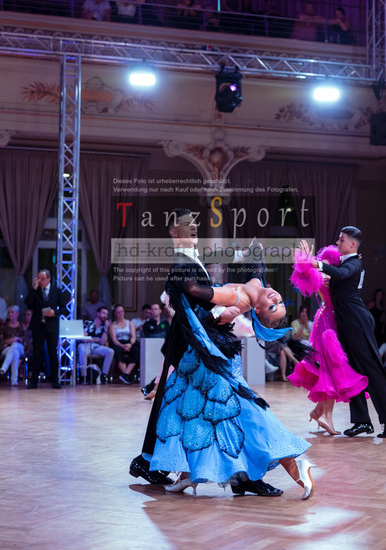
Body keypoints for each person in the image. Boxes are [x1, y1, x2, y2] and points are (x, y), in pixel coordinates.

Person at [129, 209, 289, 497]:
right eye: (185, 225)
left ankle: (157, 463)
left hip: (202, 345)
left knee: (188, 407)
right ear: (173, 233)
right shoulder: (181, 264)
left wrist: (247, 256)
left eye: (194, 223)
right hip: (193, 343)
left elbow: (215, 264)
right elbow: (194, 296)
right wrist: (217, 314)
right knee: (185, 406)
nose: (193, 228)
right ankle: (159, 463)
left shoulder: (192, 258)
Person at [145, 240, 316, 500]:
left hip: (211, 362)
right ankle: (194, 474)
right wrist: (255, 251)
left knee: (240, 415)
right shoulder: (257, 286)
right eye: (279, 301)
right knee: (198, 413)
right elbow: (257, 268)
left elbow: (193, 289)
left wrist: (180, 264)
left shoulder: (239, 297)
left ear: (256, 311)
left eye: (273, 306)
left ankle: (294, 467)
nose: (275, 298)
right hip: (204, 359)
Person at [311, 227, 386, 438]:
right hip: (345, 324)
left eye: (341, 240)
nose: (337, 242)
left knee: (372, 370)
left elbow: (342, 274)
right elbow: (335, 274)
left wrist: (319, 264)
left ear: (352, 244)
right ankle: (363, 421)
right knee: (352, 372)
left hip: (357, 322)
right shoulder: (345, 262)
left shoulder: (354, 263)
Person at [288, 245, 368, 435]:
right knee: (332, 367)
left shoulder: (331, 274)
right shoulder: (327, 276)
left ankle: (319, 411)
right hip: (328, 323)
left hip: (325, 320)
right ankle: (326, 416)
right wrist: (304, 261)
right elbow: (308, 274)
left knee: (327, 367)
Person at [24, 270, 67, 389]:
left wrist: (55, 313)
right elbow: (27, 302)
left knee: (52, 352)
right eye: (38, 279)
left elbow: (64, 309)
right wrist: (34, 288)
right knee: (37, 353)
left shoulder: (56, 291)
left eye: (42, 279)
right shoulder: (36, 290)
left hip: (51, 325)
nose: (40, 281)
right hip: (38, 325)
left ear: (49, 279)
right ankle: (33, 381)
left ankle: (55, 380)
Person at [79, 306, 114, 384]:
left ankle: (103, 376)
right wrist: (96, 339)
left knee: (110, 351)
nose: (105, 316)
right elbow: (83, 338)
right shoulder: (88, 323)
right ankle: (83, 377)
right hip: (85, 345)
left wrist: (106, 330)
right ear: (98, 313)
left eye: (106, 314)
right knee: (82, 351)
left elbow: (102, 342)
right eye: (103, 313)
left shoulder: (104, 327)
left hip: (97, 347)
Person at [109, 304, 139, 384]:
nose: (120, 314)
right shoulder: (113, 325)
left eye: (121, 311)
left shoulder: (130, 323)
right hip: (118, 344)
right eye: (118, 312)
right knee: (117, 351)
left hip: (129, 343)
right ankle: (127, 375)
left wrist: (130, 344)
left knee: (137, 350)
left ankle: (126, 374)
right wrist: (122, 346)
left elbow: (133, 336)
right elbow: (114, 340)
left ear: (124, 312)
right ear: (115, 313)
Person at [0, 306, 26, 386]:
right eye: (9, 312)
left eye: (12, 312)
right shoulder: (4, 327)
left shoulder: (22, 326)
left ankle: (4, 366)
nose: (10, 314)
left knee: (15, 345)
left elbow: (27, 339)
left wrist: (17, 339)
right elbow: (1, 340)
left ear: (17, 314)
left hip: (20, 347)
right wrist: (7, 341)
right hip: (6, 348)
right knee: (15, 352)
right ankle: (14, 380)